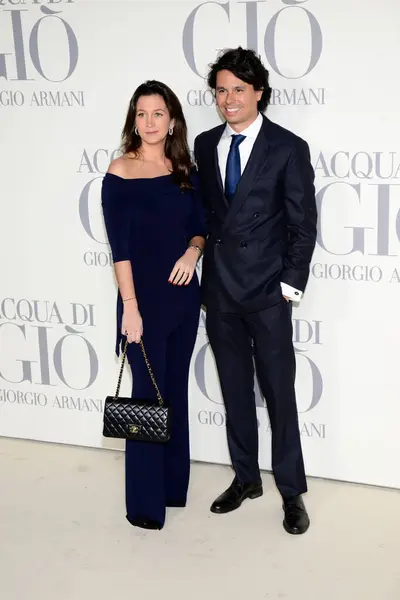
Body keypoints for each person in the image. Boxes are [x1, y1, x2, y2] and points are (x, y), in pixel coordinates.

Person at [194, 48, 317, 535]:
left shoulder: (287, 147)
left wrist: (289, 285)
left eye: (238, 90)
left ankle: (291, 492)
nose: (228, 99)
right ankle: (246, 478)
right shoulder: (205, 145)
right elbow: (207, 215)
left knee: (279, 396)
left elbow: (303, 225)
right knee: (235, 395)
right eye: (221, 90)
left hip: (268, 294)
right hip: (220, 293)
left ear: (258, 92)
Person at [101, 80, 205, 530]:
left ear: (173, 120)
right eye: (141, 114)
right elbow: (119, 248)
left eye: (157, 113)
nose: (149, 122)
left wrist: (192, 252)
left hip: (183, 298)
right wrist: (130, 307)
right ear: (133, 120)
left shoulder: (186, 170)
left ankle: (171, 488)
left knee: (174, 393)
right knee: (146, 398)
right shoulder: (120, 171)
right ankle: (145, 505)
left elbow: (199, 228)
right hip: (141, 303)